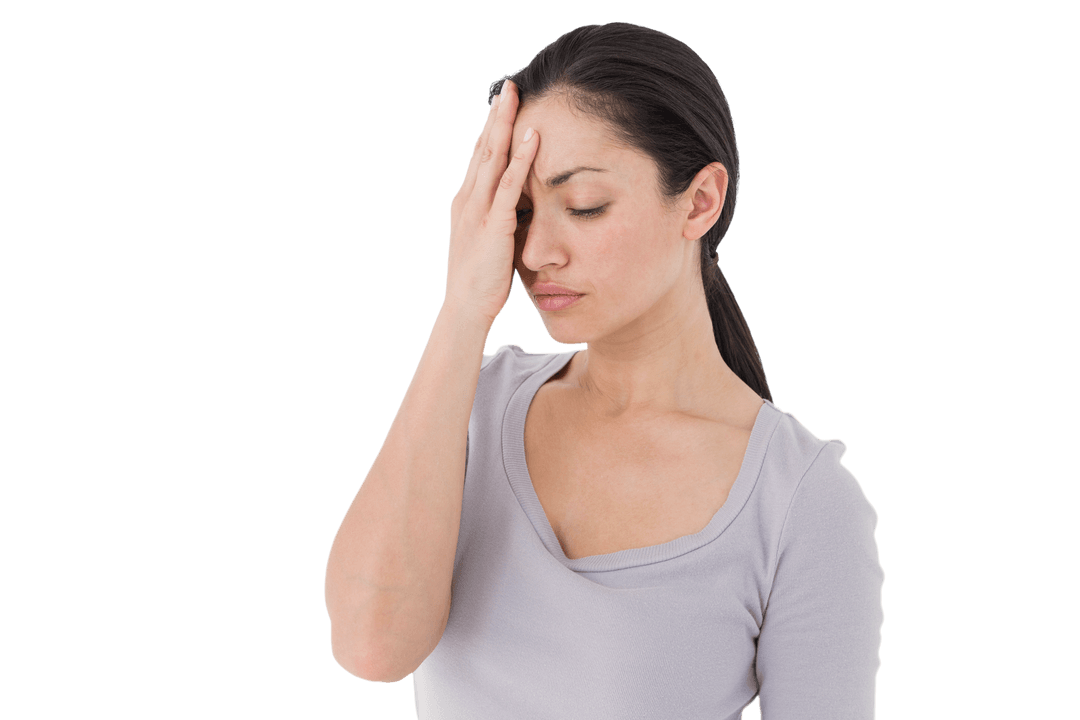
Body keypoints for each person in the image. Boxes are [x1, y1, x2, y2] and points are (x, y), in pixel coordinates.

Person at [325, 22, 885, 719]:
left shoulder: (802, 502)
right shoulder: (473, 401)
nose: (536, 253)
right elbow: (370, 648)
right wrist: (462, 311)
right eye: (520, 212)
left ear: (701, 201)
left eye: (584, 205)